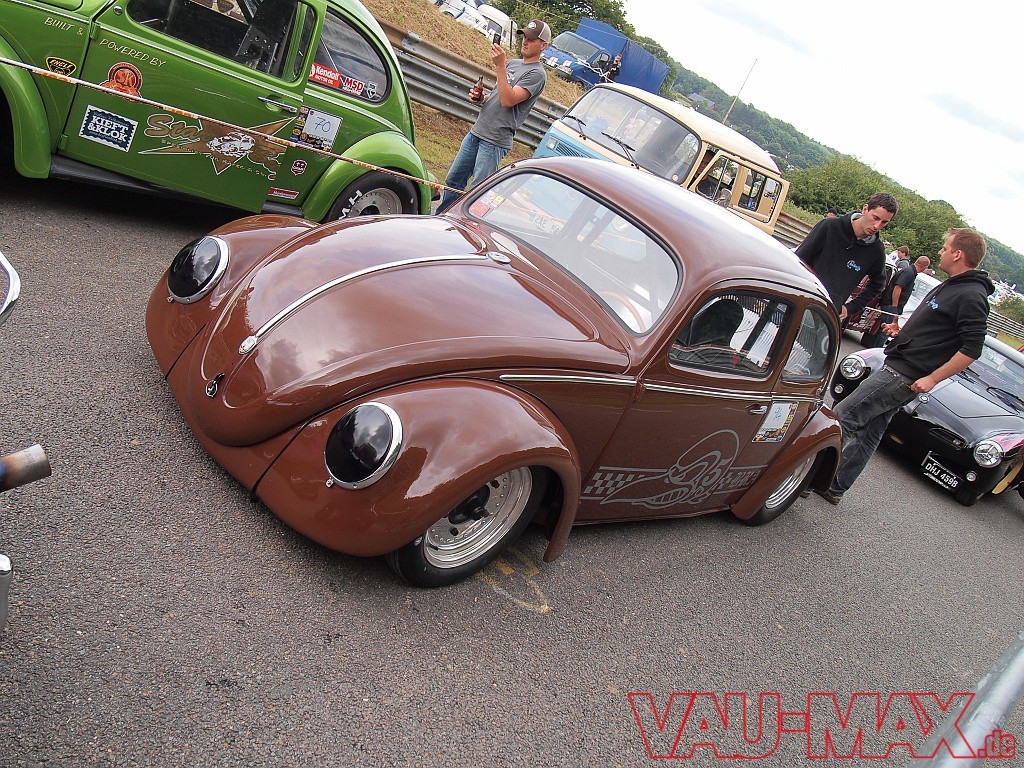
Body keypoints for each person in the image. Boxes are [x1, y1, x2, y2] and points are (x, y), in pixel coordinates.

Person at [817, 228, 993, 505]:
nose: (940, 252)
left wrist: (933, 378)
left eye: (945, 248)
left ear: (958, 254)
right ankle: (835, 486)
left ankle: (810, 477)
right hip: (902, 366)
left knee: (842, 416)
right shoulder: (954, 285)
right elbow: (938, 333)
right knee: (870, 432)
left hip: (902, 374)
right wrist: (901, 333)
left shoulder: (972, 295)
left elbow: (972, 349)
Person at [435, 19, 550, 214]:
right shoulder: (514, 64)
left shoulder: (537, 74)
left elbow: (508, 100)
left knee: (477, 193)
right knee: (454, 180)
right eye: (524, 37)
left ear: (543, 45)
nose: (525, 41)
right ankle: (442, 218)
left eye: (531, 39)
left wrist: (500, 66)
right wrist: (482, 98)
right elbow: (498, 95)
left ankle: (464, 226)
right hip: (478, 131)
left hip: (495, 140)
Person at [795, 192, 898, 323]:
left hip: (825, 315)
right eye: (875, 218)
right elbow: (798, 260)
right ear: (865, 209)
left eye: (884, 222)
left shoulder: (876, 251)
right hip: (798, 299)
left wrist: (850, 308)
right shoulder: (829, 226)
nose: (877, 226)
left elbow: (877, 285)